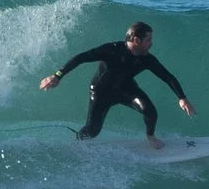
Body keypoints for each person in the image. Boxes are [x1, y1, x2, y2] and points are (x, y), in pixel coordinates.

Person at [39, 21, 196, 142]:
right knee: (92, 131)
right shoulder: (112, 50)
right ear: (136, 40)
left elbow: (167, 76)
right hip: (101, 92)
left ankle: (150, 137)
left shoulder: (147, 59)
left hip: (126, 89)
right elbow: (81, 57)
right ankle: (78, 142)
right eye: (148, 40)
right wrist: (57, 75)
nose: (151, 43)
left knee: (150, 111)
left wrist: (182, 98)